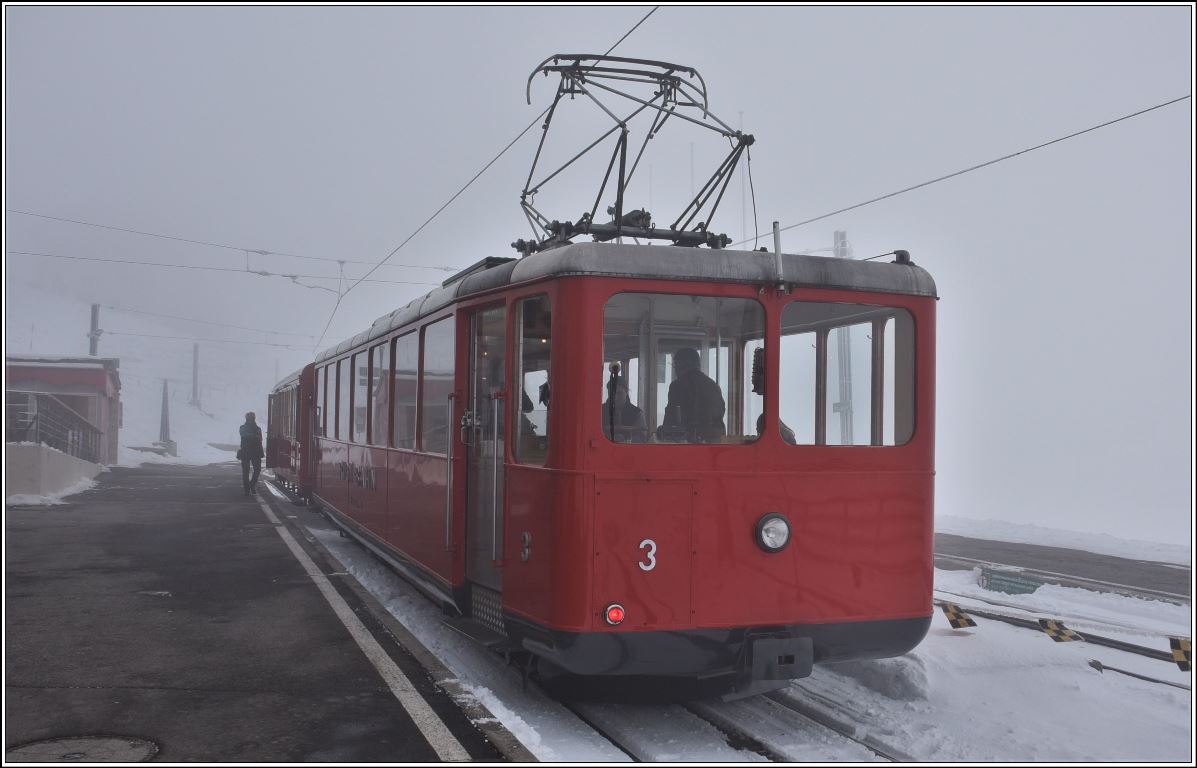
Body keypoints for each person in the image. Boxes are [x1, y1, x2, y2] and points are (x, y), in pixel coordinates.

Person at [658, 347, 726, 443]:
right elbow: (720, 412)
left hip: (690, 443)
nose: (675, 370)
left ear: (681, 365)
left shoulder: (677, 386)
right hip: (716, 442)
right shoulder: (713, 385)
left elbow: (671, 418)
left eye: (675, 365)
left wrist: (663, 432)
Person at [601, 377, 647, 442]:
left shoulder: (637, 414)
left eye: (619, 393)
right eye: (612, 393)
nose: (615, 397)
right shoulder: (599, 412)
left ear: (626, 392)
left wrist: (625, 441)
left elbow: (642, 438)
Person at [239, 412, 264, 495]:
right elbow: (244, 435)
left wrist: (253, 437)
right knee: (246, 471)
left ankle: (252, 485)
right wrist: (253, 437)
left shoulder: (258, 428)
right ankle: (247, 489)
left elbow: (260, 438)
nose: (251, 420)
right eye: (249, 418)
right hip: (246, 451)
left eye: (252, 418)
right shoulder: (243, 427)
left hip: (255, 452)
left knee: (257, 469)